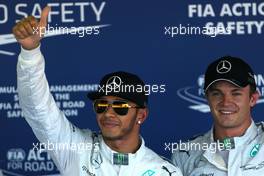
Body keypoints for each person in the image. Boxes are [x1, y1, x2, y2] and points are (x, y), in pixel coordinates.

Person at [13, 6, 182, 176]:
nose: (108, 113)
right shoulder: (76, 148)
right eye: (101, 105)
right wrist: (30, 52)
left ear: (141, 115)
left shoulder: (165, 172)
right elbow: (39, 110)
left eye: (120, 106)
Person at [171, 56, 264, 175]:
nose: (226, 102)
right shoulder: (185, 153)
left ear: (253, 98)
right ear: (207, 99)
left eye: (236, 93)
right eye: (217, 94)